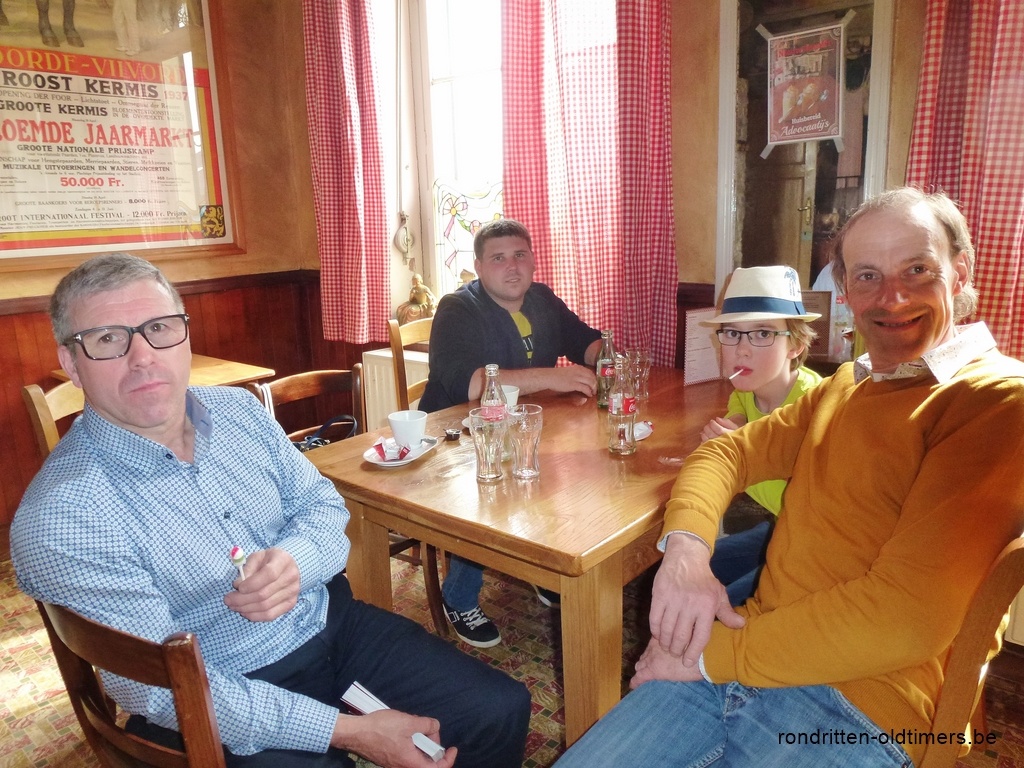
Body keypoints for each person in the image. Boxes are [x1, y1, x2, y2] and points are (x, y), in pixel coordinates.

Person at [554, 187, 1024, 767]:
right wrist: (687, 550)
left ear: (960, 273)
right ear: (845, 291)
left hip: (859, 710)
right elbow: (725, 455)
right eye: (868, 276)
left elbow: (905, 621)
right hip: (744, 653)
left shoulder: (994, 400)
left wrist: (709, 657)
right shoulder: (849, 385)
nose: (892, 296)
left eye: (917, 269)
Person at [11, 253, 531, 768]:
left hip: (328, 626)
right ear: (71, 363)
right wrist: (350, 732)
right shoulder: (63, 516)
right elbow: (162, 689)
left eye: (159, 328)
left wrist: (295, 562)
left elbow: (322, 505)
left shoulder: (239, 411)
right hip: (220, 687)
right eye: (107, 339)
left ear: (185, 334)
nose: (143, 356)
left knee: (499, 710)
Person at [419, 218, 603, 647]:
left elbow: (586, 341)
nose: (512, 266)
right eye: (498, 258)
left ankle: (540, 567)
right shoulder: (457, 309)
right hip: (455, 439)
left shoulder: (541, 298)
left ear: (533, 260)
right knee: (488, 489)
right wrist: (554, 378)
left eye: (520, 255)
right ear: (479, 267)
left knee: (560, 469)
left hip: (522, 425)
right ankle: (459, 595)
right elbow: (471, 385)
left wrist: (608, 355)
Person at [699, 265, 822, 606]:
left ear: (796, 344)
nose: (741, 349)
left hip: (817, 546)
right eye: (732, 333)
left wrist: (749, 445)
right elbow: (738, 413)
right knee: (689, 578)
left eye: (763, 333)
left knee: (720, 614)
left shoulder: (815, 405)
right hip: (781, 527)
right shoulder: (746, 391)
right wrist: (733, 431)